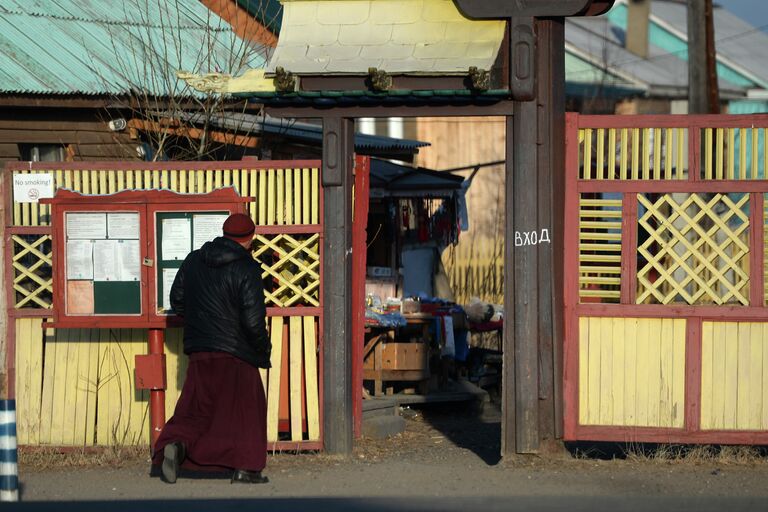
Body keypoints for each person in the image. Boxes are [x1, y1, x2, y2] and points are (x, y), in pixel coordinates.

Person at [152, 213, 271, 484]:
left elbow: (177, 299)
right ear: (250, 238)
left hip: (199, 348)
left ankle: (178, 445)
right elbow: (253, 321)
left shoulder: (195, 259)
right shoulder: (247, 268)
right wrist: (263, 350)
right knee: (246, 410)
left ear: (224, 233)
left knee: (196, 408)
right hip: (236, 351)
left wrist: (200, 324)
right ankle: (246, 468)